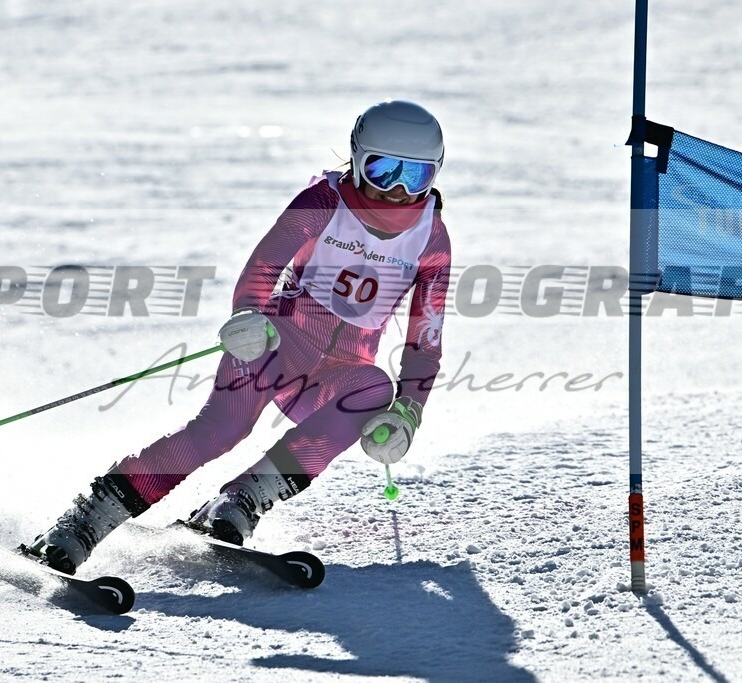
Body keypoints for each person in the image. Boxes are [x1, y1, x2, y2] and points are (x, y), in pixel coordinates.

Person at [35, 99, 452, 575]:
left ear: (435, 174)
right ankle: (83, 523)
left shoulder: (431, 240)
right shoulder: (324, 203)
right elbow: (265, 264)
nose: (397, 189)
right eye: (382, 170)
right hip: (275, 344)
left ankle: (240, 501)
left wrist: (407, 411)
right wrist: (249, 316)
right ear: (357, 161)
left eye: (414, 176)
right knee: (221, 430)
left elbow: (426, 339)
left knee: (373, 389)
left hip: (338, 372)